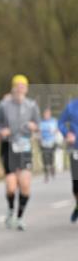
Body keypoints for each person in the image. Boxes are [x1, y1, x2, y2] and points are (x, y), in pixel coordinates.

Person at [0, 75, 41, 230]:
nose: (20, 89)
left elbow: (39, 125)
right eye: (17, 86)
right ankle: (11, 209)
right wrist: (0, 131)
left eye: (23, 86)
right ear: (13, 88)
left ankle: (19, 217)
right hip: (8, 146)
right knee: (11, 186)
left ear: (26, 89)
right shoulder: (3, 105)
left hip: (24, 147)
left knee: (25, 184)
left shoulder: (32, 106)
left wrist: (34, 127)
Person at [58, 95, 78, 223]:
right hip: (75, 149)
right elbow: (60, 123)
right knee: (76, 185)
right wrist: (67, 133)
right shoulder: (71, 107)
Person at [40, 108, 60, 182]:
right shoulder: (41, 122)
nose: (46, 115)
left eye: (47, 114)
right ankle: (46, 175)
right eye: (45, 114)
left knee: (51, 157)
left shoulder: (54, 121)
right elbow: (39, 131)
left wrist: (54, 131)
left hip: (52, 141)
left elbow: (58, 129)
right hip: (44, 142)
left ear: (50, 114)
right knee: (45, 158)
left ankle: (52, 167)